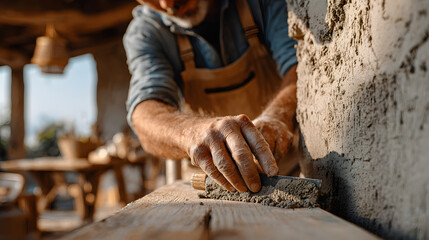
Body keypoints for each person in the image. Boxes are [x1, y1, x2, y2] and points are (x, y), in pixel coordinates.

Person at [123, 0, 298, 193]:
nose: (167, 3)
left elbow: (300, 66)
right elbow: (143, 113)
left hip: (286, 174)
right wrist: (190, 134)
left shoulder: (259, 4)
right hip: (212, 184)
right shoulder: (147, 31)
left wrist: (277, 117)